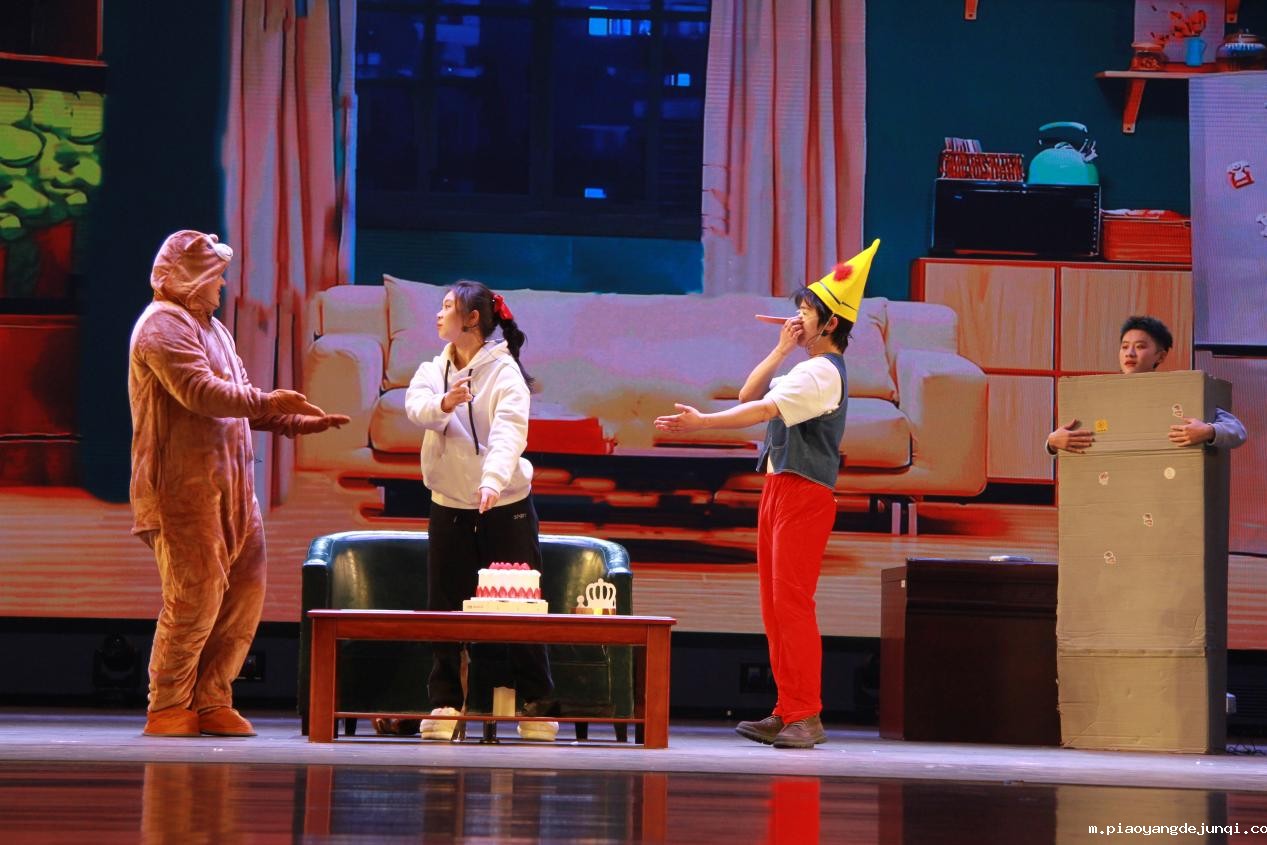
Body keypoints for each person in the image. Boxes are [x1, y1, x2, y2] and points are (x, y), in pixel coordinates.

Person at [656, 240, 880, 750]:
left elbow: (757, 411)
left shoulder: (822, 371)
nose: (796, 318)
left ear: (830, 323)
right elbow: (748, 393)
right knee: (775, 607)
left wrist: (702, 424)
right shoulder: (804, 366)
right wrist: (780, 348)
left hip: (804, 493)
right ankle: (788, 709)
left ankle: (806, 714)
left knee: (792, 605)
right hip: (781, 487)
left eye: (806, 312)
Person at [129, 230, 348, 737]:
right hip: (181, 488)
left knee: (244, 593)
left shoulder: (215, 331)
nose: (223, 284)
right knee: (195, 596)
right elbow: (200, 392)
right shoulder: (161, 326)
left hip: (230, 485)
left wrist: (296, 423)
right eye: (216, 275)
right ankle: (168, 704)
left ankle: (211, 698)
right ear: (191, 277)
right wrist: (270, 401)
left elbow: (239, 401)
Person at [403, 280, 557, 742]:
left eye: (447, 307)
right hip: (449, 504)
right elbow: (415, 407)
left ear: (472, 318)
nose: (438, 314)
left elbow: (510, 433)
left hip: (505, 504)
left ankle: (537, 703)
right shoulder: (433, 369)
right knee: (444, 605)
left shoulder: (505, 373)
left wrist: (492, 481)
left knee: (521, 607)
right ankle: (445, 702)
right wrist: (443, 402)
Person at [1046, 315, 1246, 454]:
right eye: (1125, 347)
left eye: (1140, 347)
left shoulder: (1178, 392)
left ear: (1161, 356)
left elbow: (1237, 430)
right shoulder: (1100, 396)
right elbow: (1065, 433)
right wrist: (1052, 443)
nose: (1130, 353)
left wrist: (1209, 431)